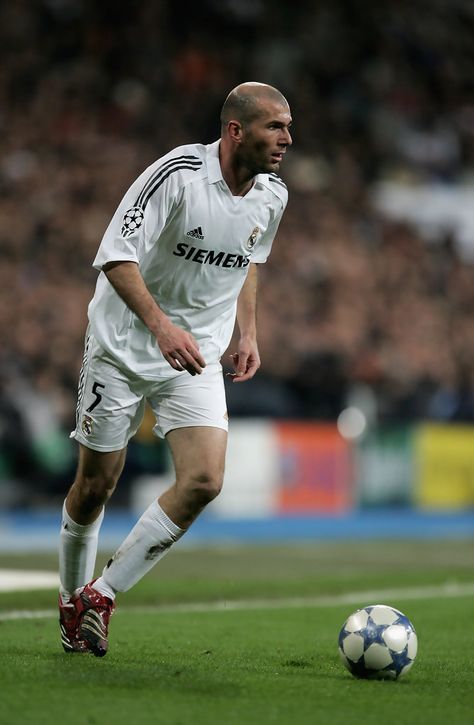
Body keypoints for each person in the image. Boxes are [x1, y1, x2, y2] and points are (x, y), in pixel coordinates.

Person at [58, 81, 292, 656]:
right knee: (96, 485)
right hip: (122, 344)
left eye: (288, 127)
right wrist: (162, 328)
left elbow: (249, 258)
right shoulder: (177, 175)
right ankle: (70, 600)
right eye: (275, 126)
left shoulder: (272, 196)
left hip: (196, 357)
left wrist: (248, 332)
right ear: (236, 130)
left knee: (205, 481)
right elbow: (115, 254)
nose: (288, 138)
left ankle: (103, 596)